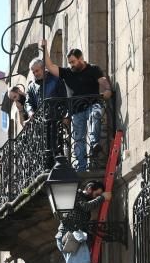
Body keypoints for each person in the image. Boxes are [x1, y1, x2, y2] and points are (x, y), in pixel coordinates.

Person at [40, 40, 113, 171]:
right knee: (78, 139)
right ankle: (81, 167)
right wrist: (44, 48)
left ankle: (94, 144)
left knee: (96, 114)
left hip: (92, 105)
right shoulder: (67, 72)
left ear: (81, 58)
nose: (71, 65)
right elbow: (50, 66)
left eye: (73, 61)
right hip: (76, 111)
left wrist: (107, 89)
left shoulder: (93, 69)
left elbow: (103, 81)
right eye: (70, 63)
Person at [56, 182, 110, 263]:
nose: (96, 197)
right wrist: (103, 198)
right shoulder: (77, 195)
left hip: (72, 237)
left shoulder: (80, 197)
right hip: (70, 237)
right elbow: (85, 207)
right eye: (96, 193)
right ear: (90, 189)